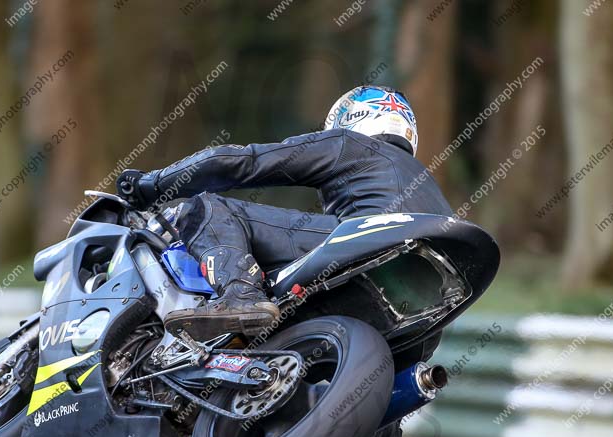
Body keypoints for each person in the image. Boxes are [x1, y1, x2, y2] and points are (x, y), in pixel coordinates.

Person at [117, 85, 452, 341]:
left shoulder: (349, 145)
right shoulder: (429, 185)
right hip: (424, 307)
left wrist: (150, 185)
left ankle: (240, 295)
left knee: (209, 207)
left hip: (367, 244)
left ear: (350, 118)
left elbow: (238, 162)